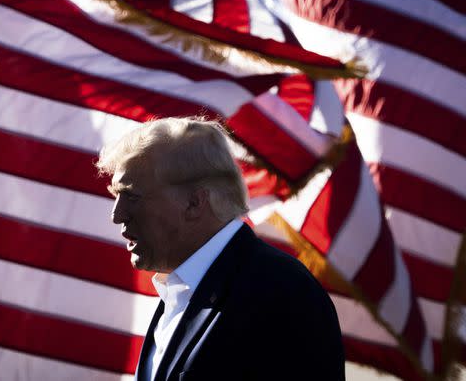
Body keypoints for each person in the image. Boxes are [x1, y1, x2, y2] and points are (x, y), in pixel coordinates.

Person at [96, 117, 345, 381]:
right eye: (117, 196)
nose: (117, 214)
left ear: (194, 202)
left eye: (132, 196)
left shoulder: (282, 292)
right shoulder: (183, 291)